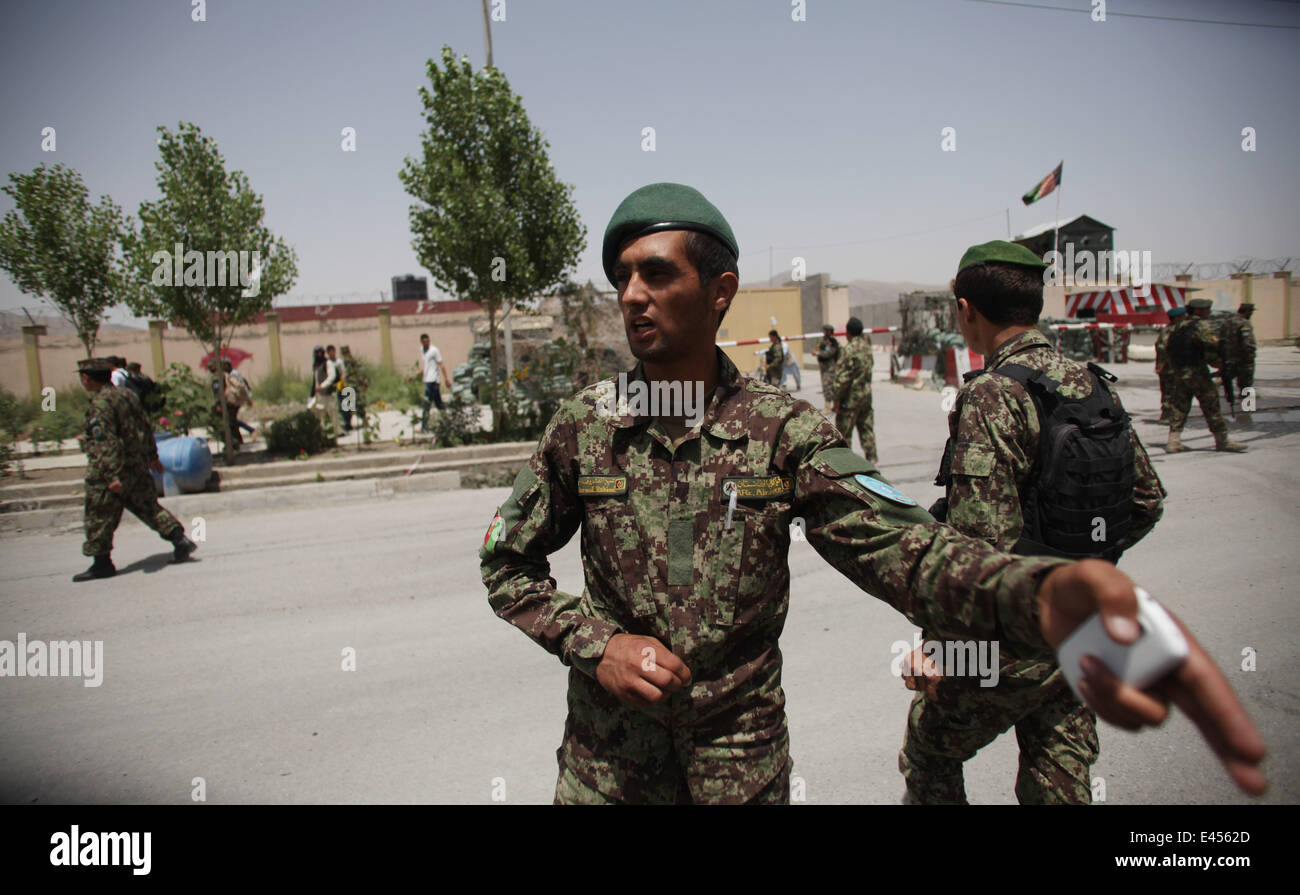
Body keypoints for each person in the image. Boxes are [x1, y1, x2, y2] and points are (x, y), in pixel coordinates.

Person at [479, 182, 1267, 805]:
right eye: (622, 276)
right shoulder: (584, 426)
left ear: (720, 290)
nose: (632, 294)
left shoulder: (784, 431)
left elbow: (904, 547)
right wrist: (597, 645)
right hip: (606, 768)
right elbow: (506, 564)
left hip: (739, 765)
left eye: (657, 272)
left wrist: (1041, 591)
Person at [902, 240, 1168, 804]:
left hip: (1012, 635)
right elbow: (1146, 501)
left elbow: (979, 544)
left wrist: (938, 646)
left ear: (966, 309)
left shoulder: (994, 394)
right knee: (1059, 770)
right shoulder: (1093, 383)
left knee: (930, 751)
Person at [73, 358, 197, 581]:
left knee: (98, 515)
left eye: (82, 376)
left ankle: (101, 563)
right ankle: (180, 540)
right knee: (148, 507)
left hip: (113, 470)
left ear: (87, 378)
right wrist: (152, 456)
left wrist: (111, 476)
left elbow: (105, 442)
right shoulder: (127, 394)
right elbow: (144, 426)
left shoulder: (100, 405)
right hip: (136, 465)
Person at [1165, 298, 1247, 453]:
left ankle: (1173, 441)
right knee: (1211, 406)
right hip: (1197, 373)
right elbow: (1211, 345)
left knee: (1179, 408)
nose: (1209, 312)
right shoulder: (1201, 326)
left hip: (1180, 373)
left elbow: (1168, 349)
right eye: (1207, 309)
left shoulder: (1177, 327)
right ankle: (1222, 440)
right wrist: (1217, 362)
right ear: (1198, 311)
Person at [830, 316, 876, 465]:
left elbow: (843, 378)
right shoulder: (867, 348)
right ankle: (872, 460)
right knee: (866, 430)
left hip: (850, 399)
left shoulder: (848, 349)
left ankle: (846, 465)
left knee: (844, 433)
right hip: (866, 396)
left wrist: (836, 399)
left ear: (848, 332)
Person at [1217, 302, 1257, 419]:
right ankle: (1248, 408)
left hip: (1229, 357)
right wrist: (1250, 353)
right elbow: (1247, 341)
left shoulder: (1226, 321)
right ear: (1246, 311)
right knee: (1247, 383)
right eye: (1251, 311)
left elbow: (1221, 339)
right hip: (1243, 358)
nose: (1251, 314)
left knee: (1228, 378)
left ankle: (1219, 387)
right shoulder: (1244, 323)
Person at [1154, 305, 1187, 423]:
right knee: (1169, 392)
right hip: (1169, 368)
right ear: (1177, 318)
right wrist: (1161, 364)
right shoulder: (1169, 331)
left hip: (1174, 366)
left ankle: (1172, 414)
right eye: (1183, 316)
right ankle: (1166, 415)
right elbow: (1162, 348)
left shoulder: (1177, 330)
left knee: (1174, 392)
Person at [419, 333, 451, 432]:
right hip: (428, 380)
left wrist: (446, 378)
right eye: (424, 342)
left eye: (428, 341)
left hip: (433, 381)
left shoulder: (434, 350)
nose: (426, 343)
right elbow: (425, 367)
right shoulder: (422, 350)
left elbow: (441, 364)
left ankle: (424, 427)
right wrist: (415, 374)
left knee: (426, 404)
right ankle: (447, 423)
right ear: (421, 342)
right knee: (439, 404)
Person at [814, 324, 840, 411]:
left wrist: (818, 353)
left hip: (830, 368)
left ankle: (828, 406)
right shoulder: (822, 340)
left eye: (827, 331)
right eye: (824, 330)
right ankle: (830, 405)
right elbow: (817, 349)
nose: (825, 332)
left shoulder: (833, 341)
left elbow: (829, 353)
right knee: (825, 386)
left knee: (828, 386)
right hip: (823, 367)